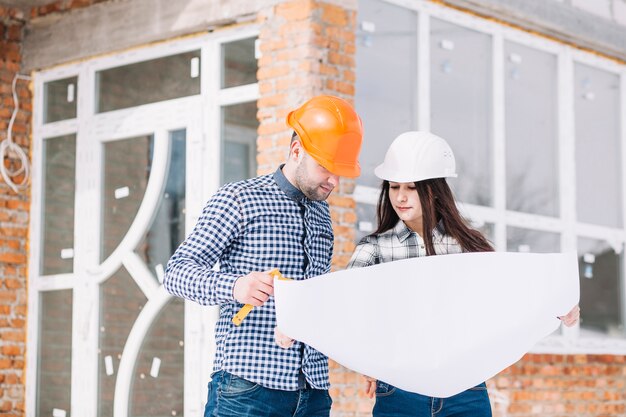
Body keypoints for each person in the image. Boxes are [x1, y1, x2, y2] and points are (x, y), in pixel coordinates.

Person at [346, 131, 580, 417]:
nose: (400, 197)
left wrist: (560, 305)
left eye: (410, 187)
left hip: (466, 393)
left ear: (432, 189)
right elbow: (349, 311)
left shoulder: (469, 246)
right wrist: (367, 362)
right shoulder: (374, 249)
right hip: (400, 393)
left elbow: (512, 297)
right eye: (394, 187)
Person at [164, 95, 363, 417]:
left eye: (341, 173)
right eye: (325, 168)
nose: (334, 182)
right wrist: (235, 286)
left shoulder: (322, 213)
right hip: (249, 390)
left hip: (313, 391)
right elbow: (176, 273)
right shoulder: (239, 199)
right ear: (297, 150)